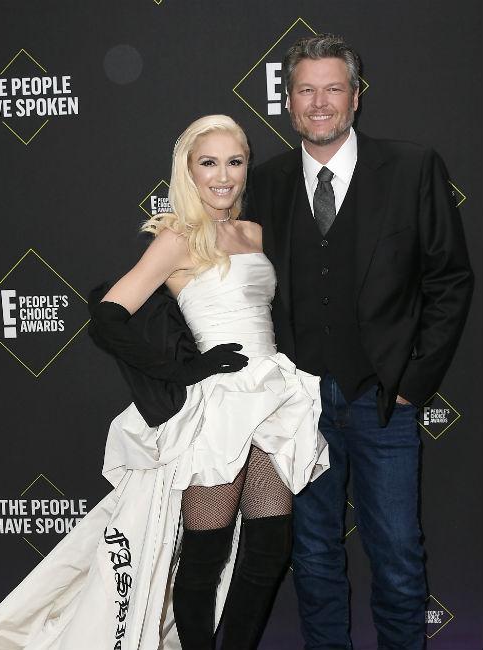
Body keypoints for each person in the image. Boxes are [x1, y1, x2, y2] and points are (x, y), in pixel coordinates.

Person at [0, 115, 328, 650]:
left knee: (268, 548)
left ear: (246, 167)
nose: (223, 176)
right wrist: (187, 370)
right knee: (204, 557)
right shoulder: (177, 239)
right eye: (208, 163)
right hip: (217, 409)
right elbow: (108, 317)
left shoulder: (254, 234)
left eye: (234, 162)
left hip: (272, 397)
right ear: (188, 171)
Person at [245, 34, 474, 650]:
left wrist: (412, 382)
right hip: (296, 405)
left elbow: (450, 279)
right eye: (306, 90)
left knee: (396, 554)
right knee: (313, 555)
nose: (319, 103)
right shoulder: (265, 183)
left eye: (333, 89)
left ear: (355, 97)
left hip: (383, 400)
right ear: (288, 102)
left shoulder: (412, 168)